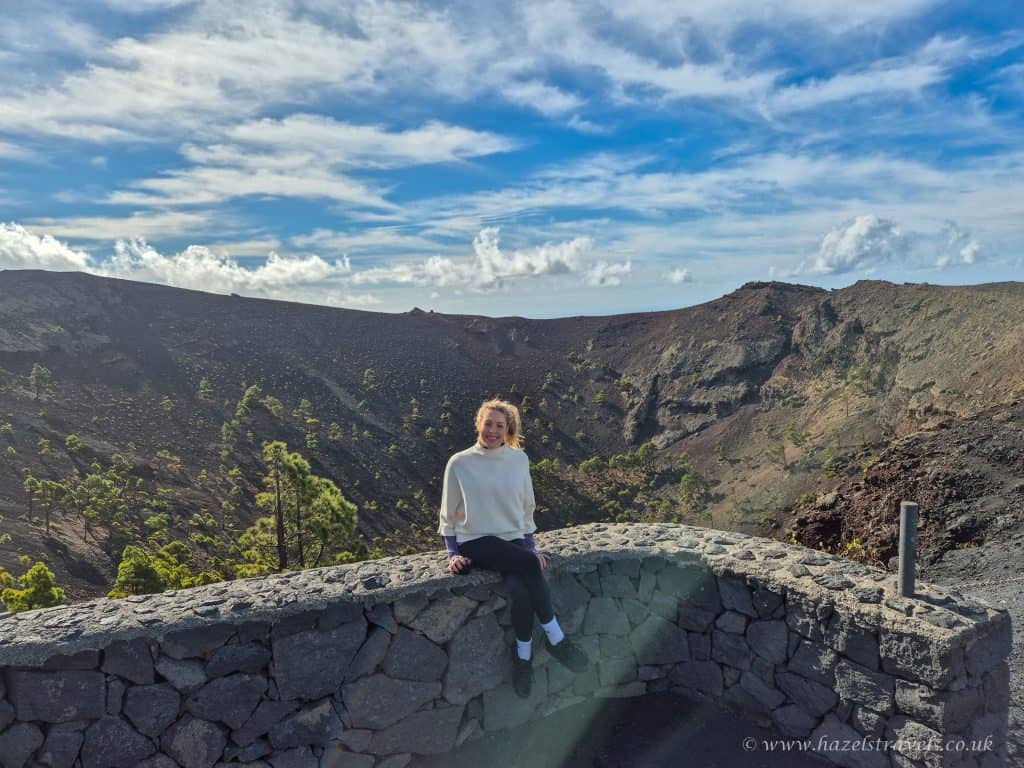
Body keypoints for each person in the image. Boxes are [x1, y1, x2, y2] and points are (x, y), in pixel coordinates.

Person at [439, 398, 589, 698]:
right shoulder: (460, 462)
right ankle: (557, 639)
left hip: (513, 540)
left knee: (521, 590)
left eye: (499, 425)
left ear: (508, 429)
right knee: (532, 566)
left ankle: (523, 659)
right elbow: (448, 511)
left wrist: (530, 546)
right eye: (488, 423)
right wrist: (453, 554)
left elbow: (526, 506)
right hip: (476, 541)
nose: (492, 430)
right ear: (478, 423)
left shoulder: (519, 460)